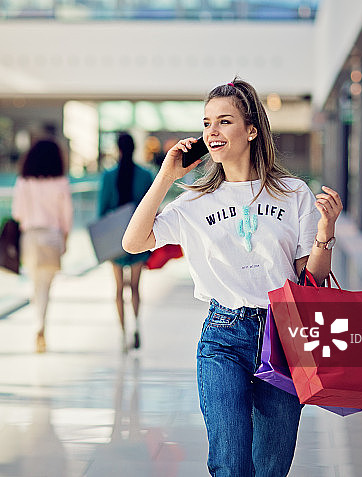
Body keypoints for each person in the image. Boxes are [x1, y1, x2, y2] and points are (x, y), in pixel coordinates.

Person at [122, 79, 342, 477]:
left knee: (271, 466)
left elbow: (309, 283)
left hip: (283, 335)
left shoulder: (293, 194)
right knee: (230, 463)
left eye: (224, 122)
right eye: (207, 123)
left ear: (252, 129)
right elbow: (134, 242)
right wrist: (166, 177)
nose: (212, 132)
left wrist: (325, 234)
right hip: (223, 334)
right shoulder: (194, 200)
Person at [11, 139, 73, 353]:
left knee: (34, 283)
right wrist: (66, 240)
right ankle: (41, 325)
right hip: (53, 236)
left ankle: (36, 323)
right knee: (46, 286)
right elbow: (67, 216)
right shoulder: (61, 182)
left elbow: (17, 214)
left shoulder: (23, 183)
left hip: (30, 236)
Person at [97, 133, 154, 351]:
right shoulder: (145, 174)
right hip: (138, 236)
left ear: (118, 149)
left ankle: (122, 335)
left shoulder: (109, 175)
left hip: (115, 239)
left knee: (118, 288)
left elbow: (102, 210)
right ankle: (137, 326)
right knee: (136, 288)